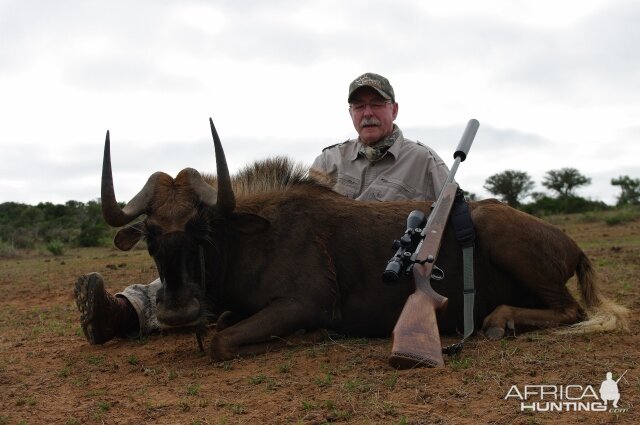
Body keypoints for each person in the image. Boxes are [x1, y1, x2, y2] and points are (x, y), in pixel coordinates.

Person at [75, 72, 451, 344]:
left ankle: (128, 314)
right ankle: (123, 311)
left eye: (376, 104)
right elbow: (310, 218)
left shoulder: (425, 161)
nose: (367, 113)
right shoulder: (330, 159)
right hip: (322, 263)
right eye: (359, 106)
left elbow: (455, 214)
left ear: (394, 110)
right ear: (351, 113)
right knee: (200, 258)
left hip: (386, 261)